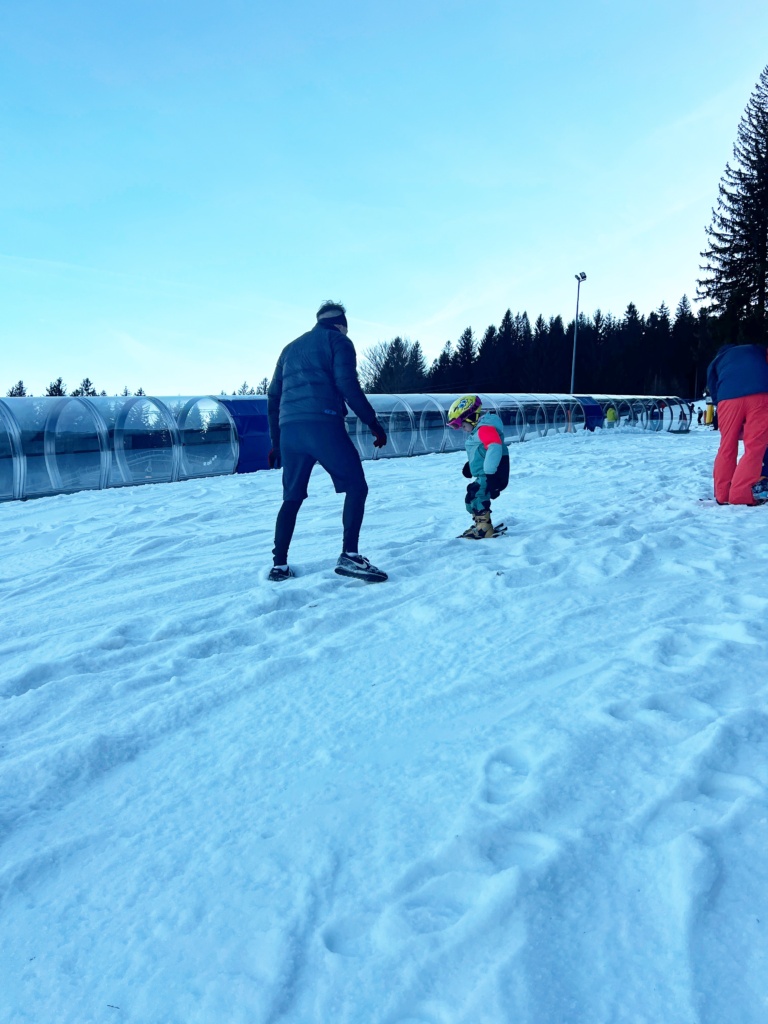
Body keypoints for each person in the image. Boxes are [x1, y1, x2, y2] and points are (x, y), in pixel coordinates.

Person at [266, 301, 389, 581]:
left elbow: (273, 398)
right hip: (323, 424)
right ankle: (350, 555)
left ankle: (279, 565)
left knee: (291, 497)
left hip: (290, 433)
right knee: (357, 486)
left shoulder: (289, 349)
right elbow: (348, 385)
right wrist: (373, 422)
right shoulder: (339, 341)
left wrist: (276, 442)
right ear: (341, 323)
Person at [706, 341, 768, 505]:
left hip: (727, 399)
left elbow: (713, 387)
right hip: (760, 395)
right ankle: (741, 495)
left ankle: (722, 494)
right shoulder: (756, 349)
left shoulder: (717, 360)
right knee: (755, 448)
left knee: (727, 445)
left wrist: (724, 411)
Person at [448, 395, 510, 538]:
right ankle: (480, 523)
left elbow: (494, 447)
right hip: (484, 473)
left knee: (478, 495)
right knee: (472, 496)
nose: (462, 429)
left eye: (462, 425)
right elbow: (481, 451)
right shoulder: (478, 432)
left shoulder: (485, 429)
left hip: (491, 474)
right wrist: (470, 465)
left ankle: (484, 528)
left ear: (471, 417)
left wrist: (491, 474)